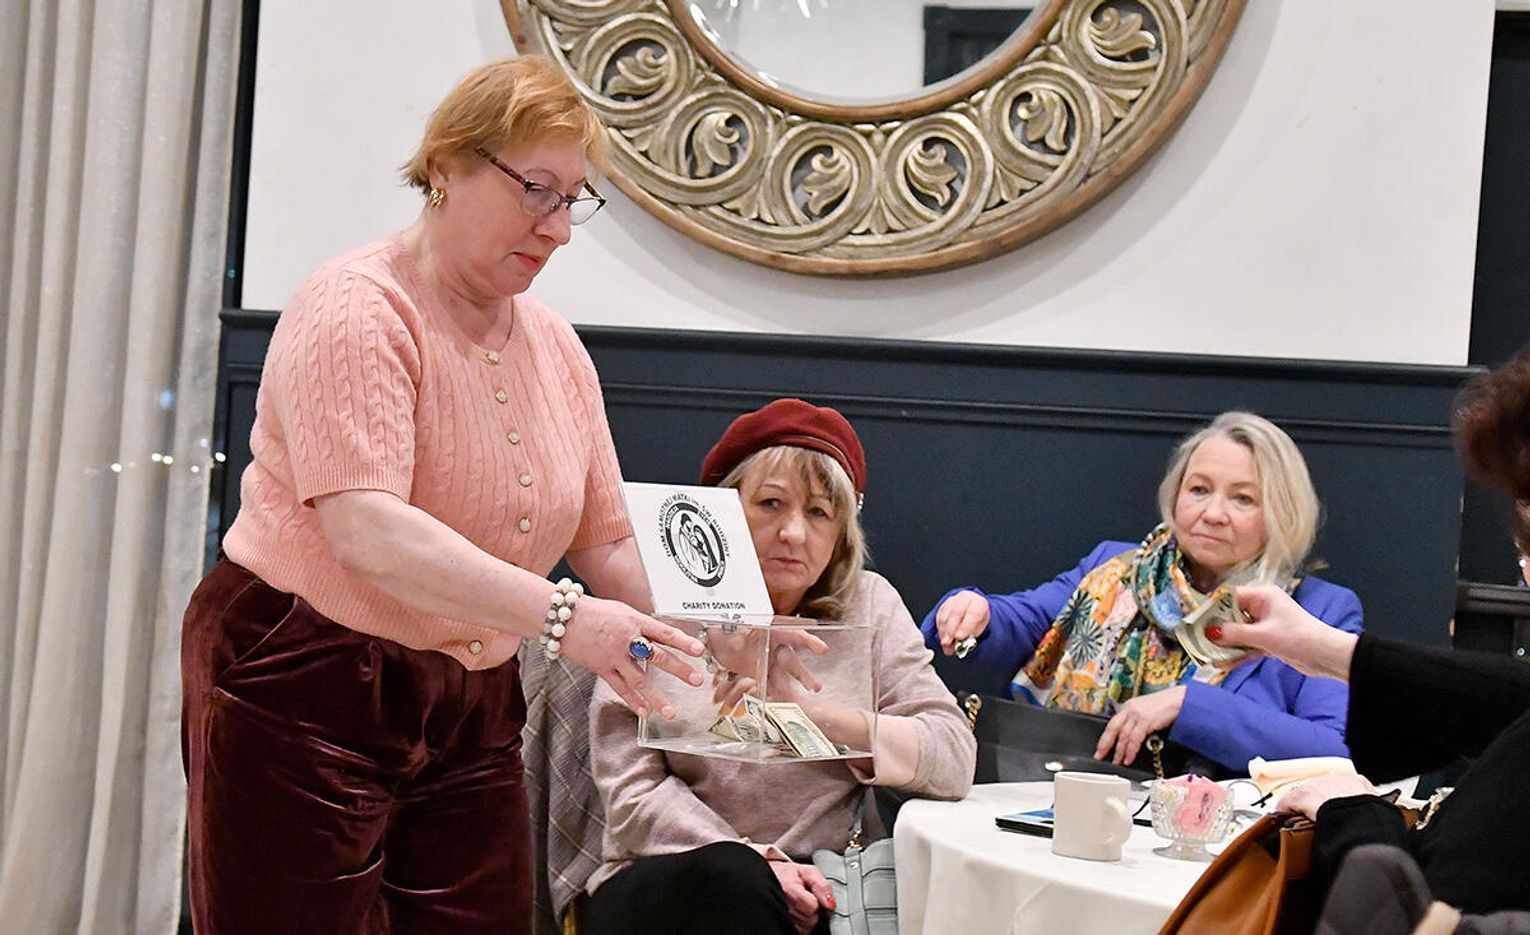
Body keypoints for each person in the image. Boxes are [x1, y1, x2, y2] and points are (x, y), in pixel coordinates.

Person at [180, 57, 706, 934]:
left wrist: (726, 634)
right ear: (444, 167)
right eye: (537, 190)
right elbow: (368, 530)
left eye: (573, 200)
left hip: (471, 692)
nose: (559, 228)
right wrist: (566, 618)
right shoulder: (357, 307)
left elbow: (608, 543)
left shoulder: (557, 347)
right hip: (302, 671)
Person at [583, 399, 976, 935]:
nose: (793, 532)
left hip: (829, 883)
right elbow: (633, 798)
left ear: (841, 532)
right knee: (734, 880)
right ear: (719, 514)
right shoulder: (654, 607)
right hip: (671, 871)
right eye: (771, 503)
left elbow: (952, 757)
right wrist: (763, 861)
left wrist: (812, 717)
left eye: (819, 512)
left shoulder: (870, 605)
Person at [1220, 350, 1530, 915]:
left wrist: (1352, 810)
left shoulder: (1328, 602)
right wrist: (1325, 651)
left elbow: (1421, 915)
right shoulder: (1111, 576)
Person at [921, 411, 1364, 772]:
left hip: (1213, 835)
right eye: (1199, 490)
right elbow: (1027, 620)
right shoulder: (1115, 566)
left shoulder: (1319, 609)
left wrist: (1191, 706)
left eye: (1242, 499)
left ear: (1282, 512)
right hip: (1064, 793)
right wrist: (975, 612)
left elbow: (1332, 751)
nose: (1213, 513)